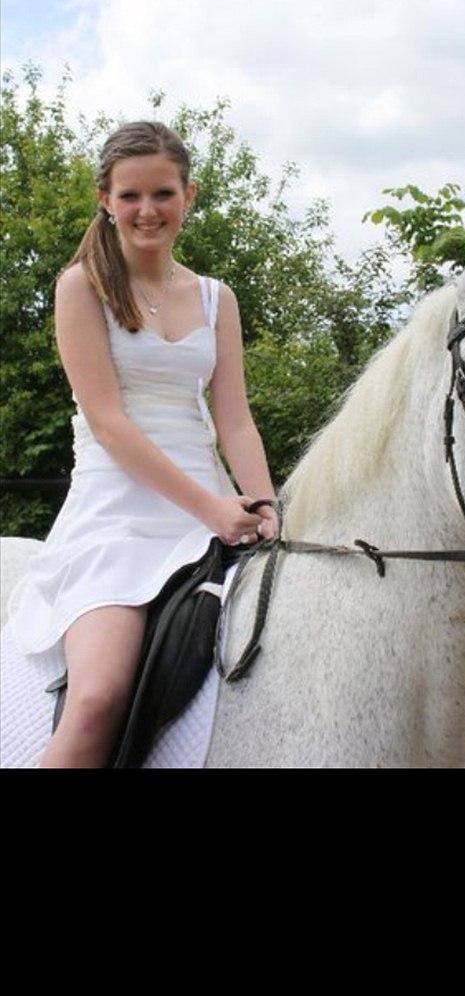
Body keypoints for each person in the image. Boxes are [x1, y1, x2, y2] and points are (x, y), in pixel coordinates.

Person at [3, 120, 279, 769]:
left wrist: (263, 503)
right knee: (98, 698)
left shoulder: (217, 299)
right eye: (130, 196)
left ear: (189, 194)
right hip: (117, 519)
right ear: (105, 198)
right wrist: (211, 511)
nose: (147, 210)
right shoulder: (82, 288)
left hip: (211, 503)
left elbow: (234, 420)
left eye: (162, 193)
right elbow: (108, 424)